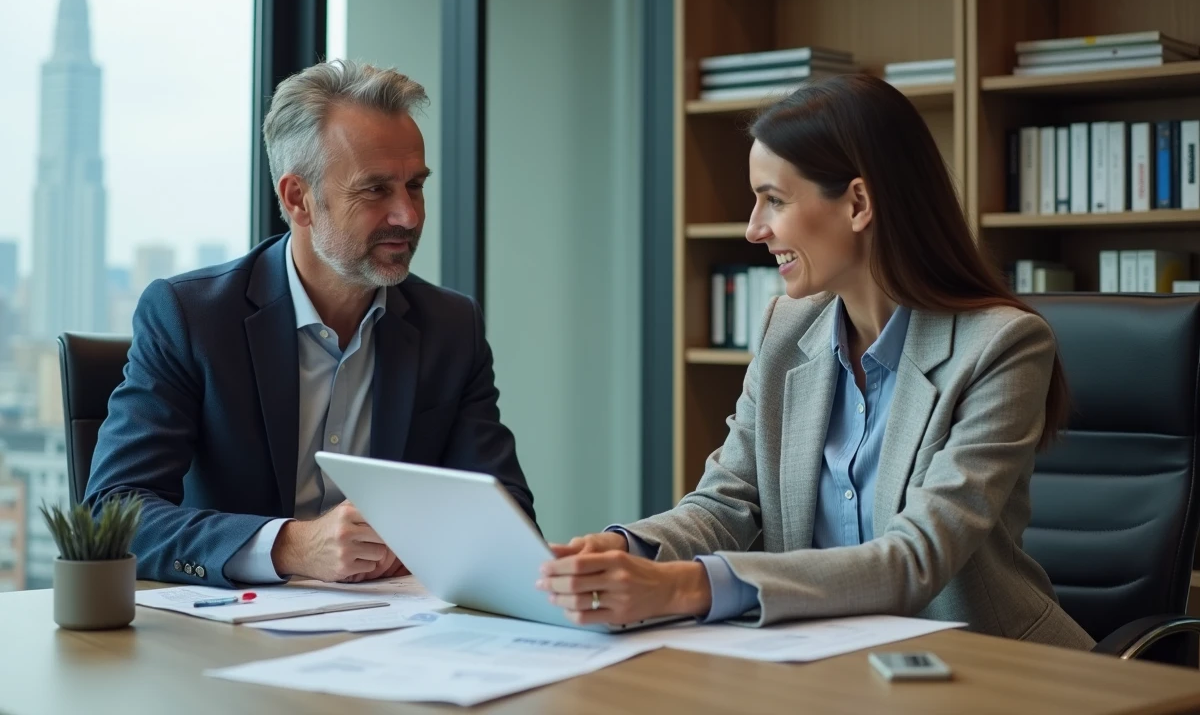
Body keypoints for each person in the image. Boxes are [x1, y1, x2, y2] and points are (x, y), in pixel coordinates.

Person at [537, 73, 1093, 649]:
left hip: (988, 664)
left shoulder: (1003, 346)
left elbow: (917, 557)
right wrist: (626, 549)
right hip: (829, 659)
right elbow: (726, 502)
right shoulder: (786, 329)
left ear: (857, 203)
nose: (754, 229)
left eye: (774, 200)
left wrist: (684, 587)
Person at [86, 60, 534, 588]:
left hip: (397, 623)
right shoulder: (191, 317)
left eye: (414, 186)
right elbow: (114, 514)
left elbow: (507, 517)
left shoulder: (450, 327)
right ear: (298, 198)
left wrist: (427, 544)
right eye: (375, 190)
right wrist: (292, 546)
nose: (409, 215)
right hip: (225, 626)